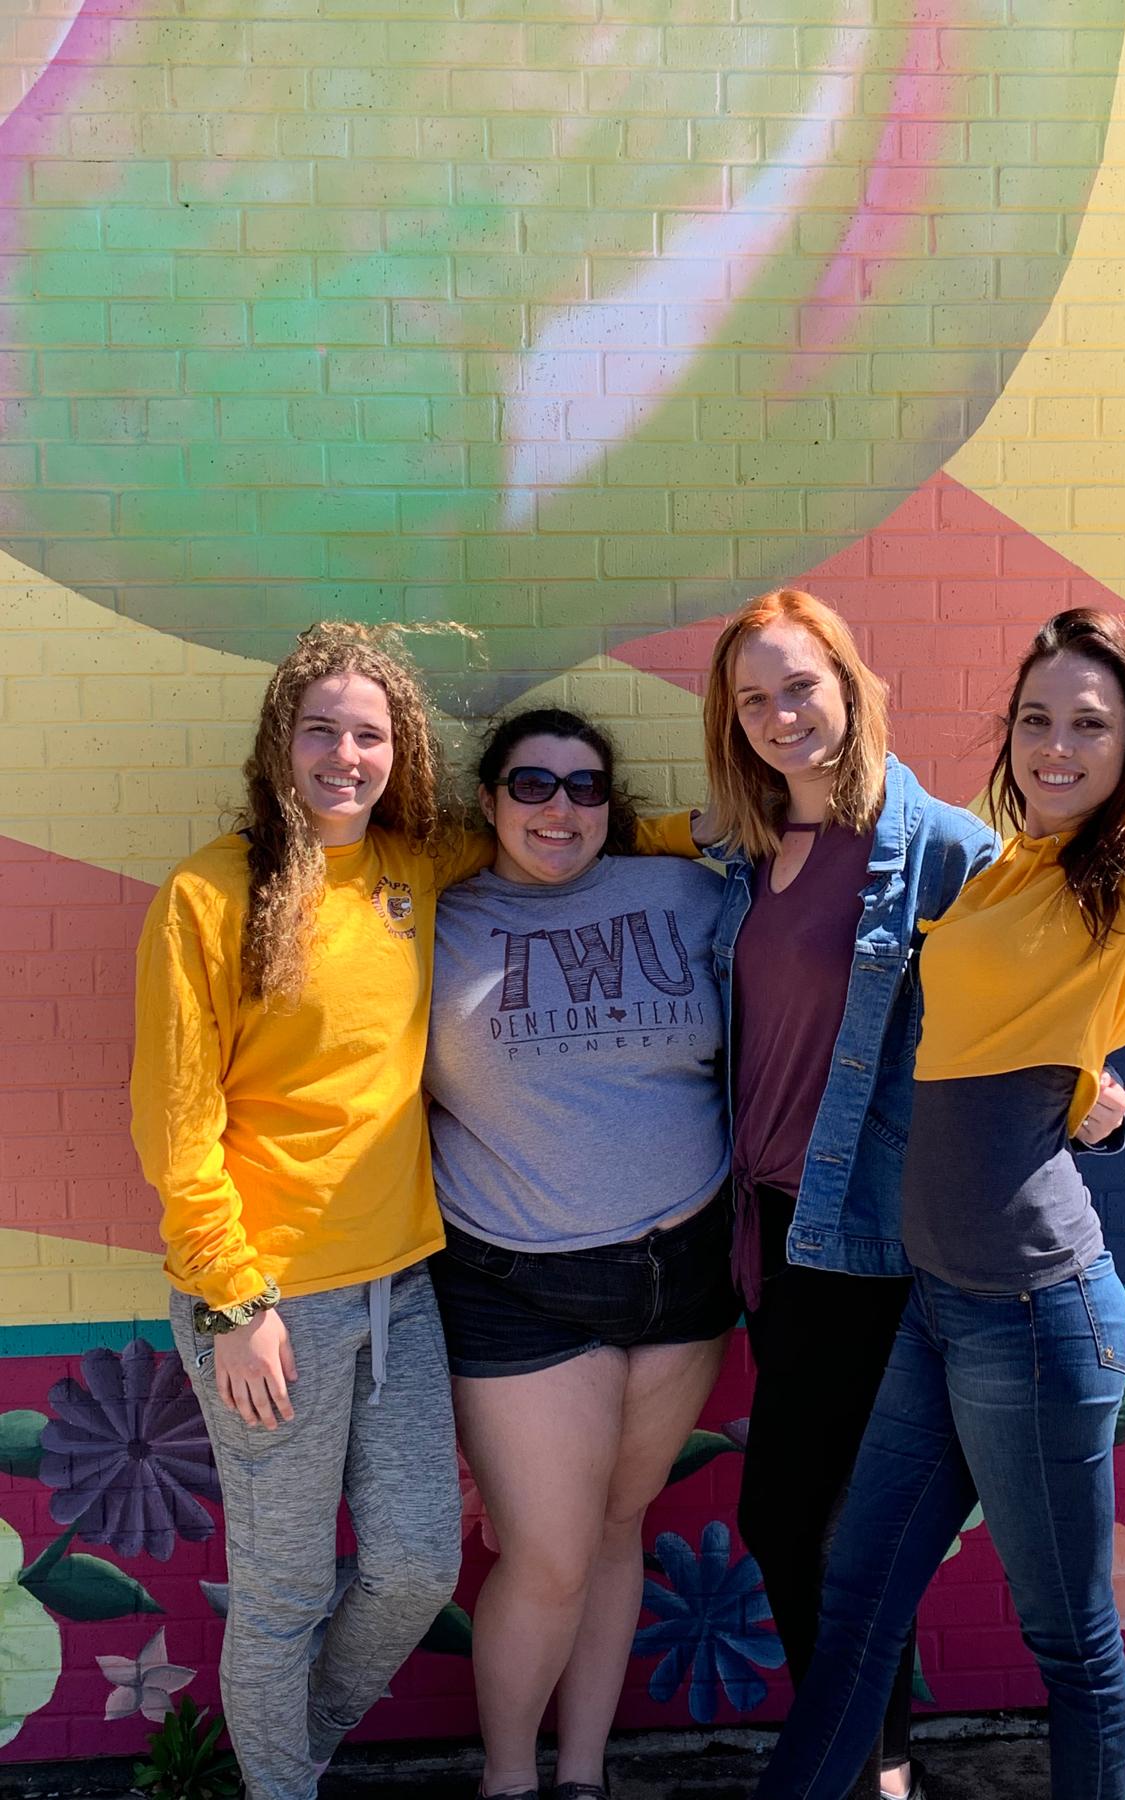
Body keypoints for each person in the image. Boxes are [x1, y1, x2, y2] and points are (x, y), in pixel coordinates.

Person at [753, 576, 1125, 1800]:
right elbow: (1004, 1044)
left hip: (1037, 1318)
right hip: (936, 1304)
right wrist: (1084, 1090)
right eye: (1036, 719)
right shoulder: (1011, 871)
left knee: (1068, 1641)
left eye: (1089, 722)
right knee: (855, 1599)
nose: (1058, 744)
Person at [129, 630, 700, 1800]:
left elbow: (561, 831)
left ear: (403, 754)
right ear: (280, 741)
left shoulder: (413, 866)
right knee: (284, 1590)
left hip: (406, 1286)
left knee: (411, 1571)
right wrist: (236, 1300)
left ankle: (302, 1748)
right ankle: (281, 1785)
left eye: (371, 735)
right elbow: (177, 1133)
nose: (347, 755)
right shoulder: (207, 896)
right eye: (323, 729)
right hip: (267, 1301)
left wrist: (712, 833)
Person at [700, 589, 1125, 1800]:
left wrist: (1090, 1089)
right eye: (756, 698)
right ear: (731, 723)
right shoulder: (734, 852)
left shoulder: (942, 847)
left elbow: (1043, 982)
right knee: (832, 1536)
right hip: (769, 1233)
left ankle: (879, 1771)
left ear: (850, 686)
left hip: (876, 1237)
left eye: (803, 687)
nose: (784, 715)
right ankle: (874, 1766)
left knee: (798, 1524)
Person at [423, 706, 738, 1800]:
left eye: (586, 787)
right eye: (533, 784)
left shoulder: (688, 897)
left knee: (615, 1530)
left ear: (616, 804)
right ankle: (509, 1782)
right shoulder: (432, 923)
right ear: (489, 802)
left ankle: (585, 1778)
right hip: (523, 1284)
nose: (560, 808)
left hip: (686, 1273)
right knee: (547, 1557)